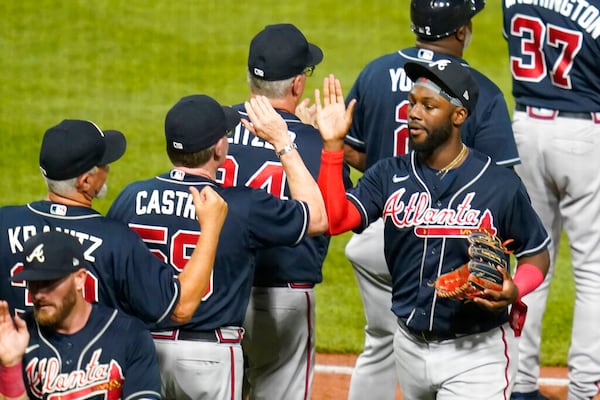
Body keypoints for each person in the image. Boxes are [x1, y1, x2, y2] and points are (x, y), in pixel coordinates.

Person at [308, 64, 550, 399]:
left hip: (476, 353)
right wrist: (333, 147)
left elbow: (536, 253)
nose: (414, 113)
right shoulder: (387, 174)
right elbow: (335, 220)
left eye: (429, 106)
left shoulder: (500, 185)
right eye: (412, 103)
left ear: (458, 115)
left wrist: (514, 289)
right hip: (408, 344)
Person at [342, 1, 521, 398]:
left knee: (381, 342)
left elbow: (352, 149)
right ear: (460, 31)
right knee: (445, 337)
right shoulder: (478, 90)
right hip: (444, 241)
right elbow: (499, 179)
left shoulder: (374, 71)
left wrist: (386, 180)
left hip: (375, 231)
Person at [106, 93, 327, 399]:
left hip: (145, 352)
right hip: (209, 358)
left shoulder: (130, 198)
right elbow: (316, 216)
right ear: (220, 149)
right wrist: (283, 143)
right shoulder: (242, 206)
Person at [220, 23, 349, 400]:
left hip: (219, 290)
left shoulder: (212, 128)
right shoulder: (314, 143)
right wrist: (316, 142)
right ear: (297, 85)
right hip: (285, 297)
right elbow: (338, 217)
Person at [0, 119, 227, 328]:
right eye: (104, 164)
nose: (108, 170)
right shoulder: (116, 241)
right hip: (86, 368)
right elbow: (179, 309)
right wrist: (210, 228)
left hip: (13, 363)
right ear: (86, 181)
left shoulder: (4, 222)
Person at [503, 3, 600, 400]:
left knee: (531, 257)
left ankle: (521, 384)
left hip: (525, 130)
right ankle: (582, 388)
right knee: (593, 270)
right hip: (582, 134)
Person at [0, 231, 161, 399]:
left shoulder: (129, 335)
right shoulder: (15, 338)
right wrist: (11, 365)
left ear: (79, 279)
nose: (38, 294)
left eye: (48, 282)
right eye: (33, 284)